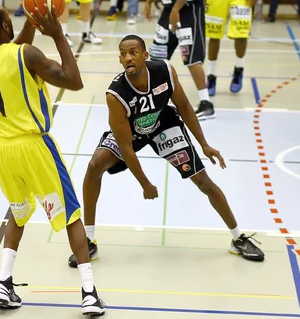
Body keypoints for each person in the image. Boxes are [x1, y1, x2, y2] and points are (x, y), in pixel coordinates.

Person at [67, 35, 265, 268]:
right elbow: (126, 147)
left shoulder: (165, 71)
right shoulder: (116, 95)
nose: (128, 57)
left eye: (133, 52)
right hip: (132, 133)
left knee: (203, 180)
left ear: (145, 55)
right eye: (123, 54)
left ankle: (238, 237)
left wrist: (204, 144)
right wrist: (145, 184)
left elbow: (183, 106)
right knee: (94, 166)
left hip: (164, 125)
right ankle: (89, 240)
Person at [0, 4, 106, 316]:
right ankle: (88, 292)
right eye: (9, 19)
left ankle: (3, 281)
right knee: (70, 214)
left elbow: (11, 49)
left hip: (1, 150)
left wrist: (29, 21)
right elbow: (73, 80)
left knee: (18, 214)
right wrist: (58, 36)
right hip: (34, 147)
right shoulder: (27, 55)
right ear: (6, 26)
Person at [144, 0, 214, 120]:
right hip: (171, 8)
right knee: (157, 55)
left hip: (188, 8)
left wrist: (176, 9)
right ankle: (157, 101)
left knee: (190, 57)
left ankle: (206, 103)